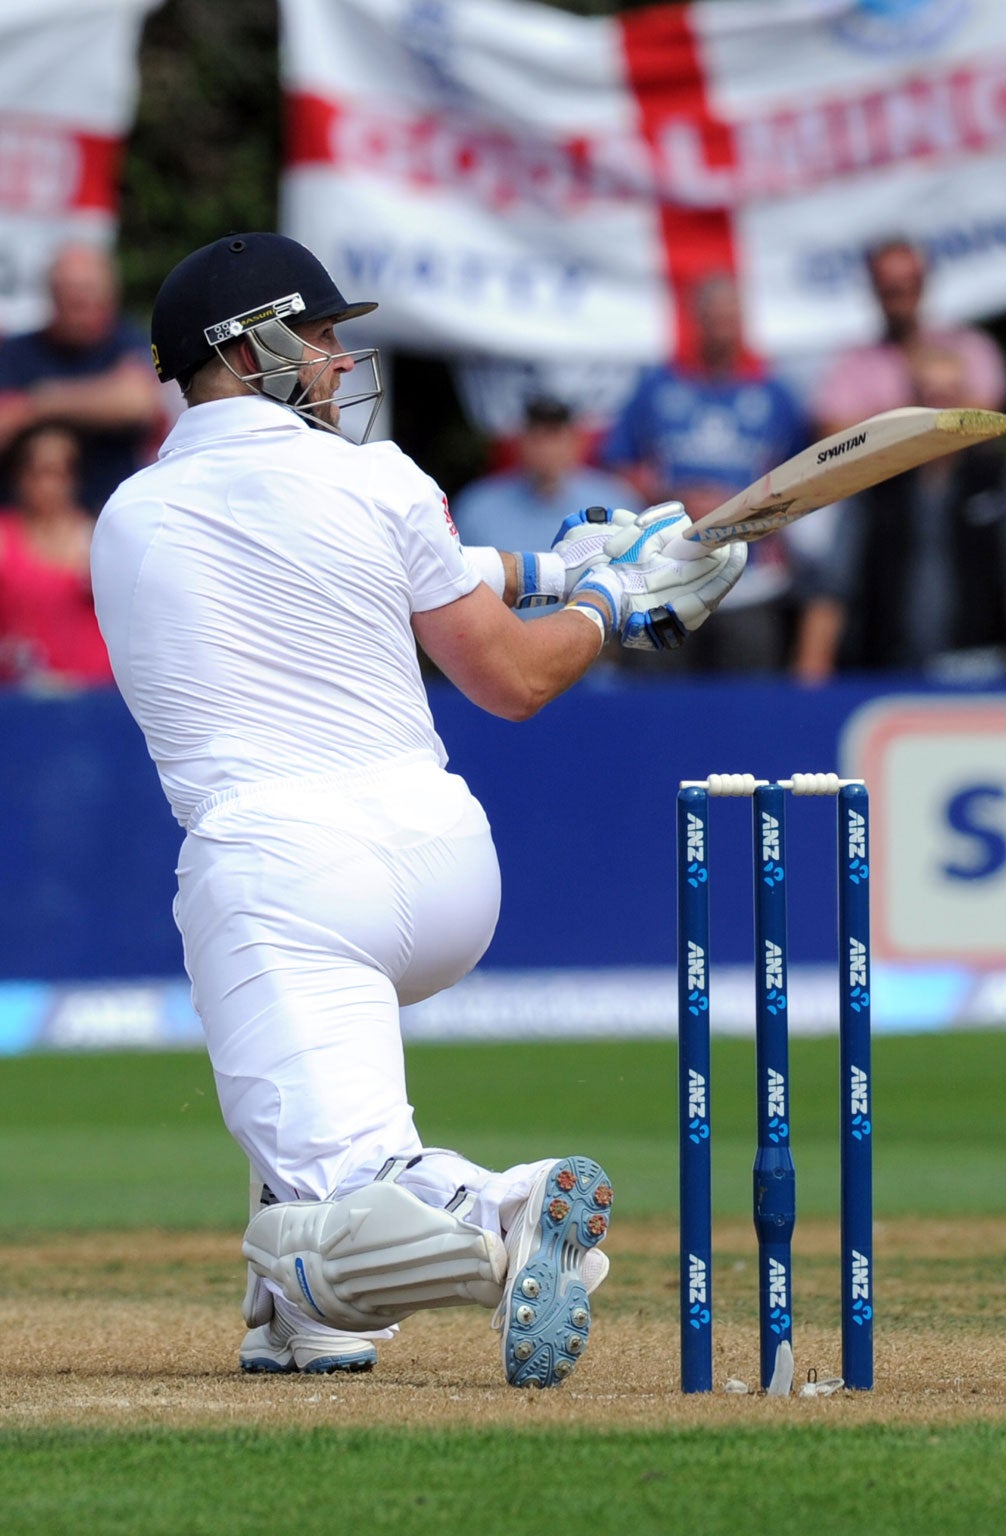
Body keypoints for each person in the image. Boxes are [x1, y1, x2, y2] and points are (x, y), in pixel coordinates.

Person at [90, 233, 746, 1387]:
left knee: (335, 1197)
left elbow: (337, 562)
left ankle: (503, 1215)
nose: (341, 361)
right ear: (249, 352)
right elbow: (508, 673)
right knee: (300, 1103)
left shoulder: (132, 517)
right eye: (323, 335)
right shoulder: (381, 478)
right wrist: (606, 593)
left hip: (286, 880)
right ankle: (297, 1324)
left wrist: (572, 575)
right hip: (448, 870)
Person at [793, 345, 1006, 682]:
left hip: (985, 673)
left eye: (949, 396)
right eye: (929, 397)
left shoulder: (1004, 477)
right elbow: (833, 585)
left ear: (967, 404)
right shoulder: (875, 482)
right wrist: (810, 675)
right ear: (910, 405)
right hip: (885, 675)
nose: (940, 410)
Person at [601, 274, 810, 672]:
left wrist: (745, 508)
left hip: (750, 582)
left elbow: (804, 481)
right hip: (664, 578)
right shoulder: (656, 388)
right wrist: (668, 497)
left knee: (746, 709)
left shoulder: (775, 396)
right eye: (712, 319)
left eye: (730, 320)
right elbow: (619, 465)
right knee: (661, 708)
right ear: (696, 323)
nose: (722, 330)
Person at [0, 245, 163, 512]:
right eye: (71, 300)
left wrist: (36, 404)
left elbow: (135, 400)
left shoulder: (126, 342)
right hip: (22, 529)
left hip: (106, 512)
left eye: (89, 297)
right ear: (52, 297)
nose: (82, 311)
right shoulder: (17, 351)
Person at [811, 237, 1006, 434]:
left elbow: (989, 418)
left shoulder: (969, 345)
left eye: (910, 283)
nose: (902, 295)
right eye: (892, 288)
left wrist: (887, 420)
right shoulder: (852, 363)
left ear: (923, 281)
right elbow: (832, 431)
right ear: (874, 287)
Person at [452, 394, 636, 556]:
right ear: (520, 442)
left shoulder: (614, 502)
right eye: (537, 438)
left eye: (555, 437)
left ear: (576, 443)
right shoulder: (477, 508)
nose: (546, 450)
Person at [0, 424, 113, 689]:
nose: (51, 485)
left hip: (96, 697)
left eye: (62, 472)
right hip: (21, 698)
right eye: (41, 472)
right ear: (19, 476)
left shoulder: (98, 536)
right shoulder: (4, 537)